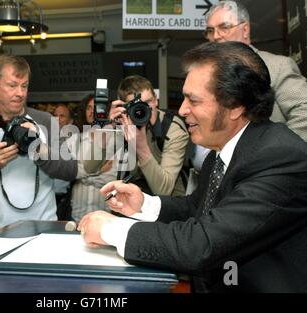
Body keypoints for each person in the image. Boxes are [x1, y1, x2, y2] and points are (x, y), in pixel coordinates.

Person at [78, 42, 307, 292]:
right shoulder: (220, 153)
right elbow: (197, 207)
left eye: (193, 100)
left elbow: (202, 243)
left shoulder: (281, 157)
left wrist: (112, 229)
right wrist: (144, 204)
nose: (183, 110)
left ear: (235, 105)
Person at [0, 55, 77, 235]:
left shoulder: (45, 121)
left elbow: (70, 170)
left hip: (44, 232)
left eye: (24, 86)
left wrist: (39, 150)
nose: (20, 93)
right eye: (12, 85)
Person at [204, 0, 307, 141]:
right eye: (210, 30)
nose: (215, 36)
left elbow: (304, 110)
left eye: (224, 27)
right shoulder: (210, 75)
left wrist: (280, 150)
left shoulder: (277, 66)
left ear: (245, 29)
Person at [85, 75, 189, 196]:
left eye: (148, 102)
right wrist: (107, 127)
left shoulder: (172, 128)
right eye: (136, 105)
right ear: (123, 107)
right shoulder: (123, 124)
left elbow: (164, 191)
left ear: (156, 100)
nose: (144, 109)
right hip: (133, 198)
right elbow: (90, 167)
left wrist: (140, 145)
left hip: (170, 203)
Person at [70, 94, 118, 222]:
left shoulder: (114, 141)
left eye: (96, 108)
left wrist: (83, 176)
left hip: (104, 213)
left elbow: (111, 178)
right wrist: (100, 171)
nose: (92, 112)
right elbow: (71, 172)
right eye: (88, 108)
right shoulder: (75, 140)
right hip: (77, 213)